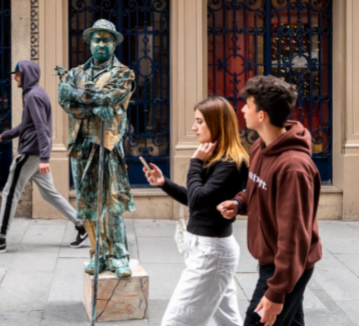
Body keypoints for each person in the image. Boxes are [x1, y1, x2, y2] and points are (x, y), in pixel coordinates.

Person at [218, 75, 322, 326]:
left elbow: (294, 234)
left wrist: (277, 290)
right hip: (274, 261)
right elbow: (258, 189)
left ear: (262, 115)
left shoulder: (293, 168)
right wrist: (241, 202)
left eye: (248, 105)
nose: (242, 109)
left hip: (285, 266)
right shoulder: (260, 147)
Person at [144, 96, 248, 326]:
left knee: (175, 321)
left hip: (212, 252)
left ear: (217, 123)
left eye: (199, 121)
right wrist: (164, 183)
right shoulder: (215, 158)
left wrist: (195, 163)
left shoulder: (230, 163)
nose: (193, 128)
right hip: (206, 249)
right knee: (229, 321)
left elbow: (198, 199)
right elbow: (195, 199)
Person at [0, 60, 88, 253]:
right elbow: (27, 125)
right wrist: (3, 136)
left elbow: (42, 129)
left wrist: (44, 158)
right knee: (49, 193)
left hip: (31, 153)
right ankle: (81, 226)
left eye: (17, 74)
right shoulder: (35, 93)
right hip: (35, 152)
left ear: (26, 75)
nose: (15, 77)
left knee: (10, 193)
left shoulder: (33, 96)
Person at [57, 19, 136, 278]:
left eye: (106, 39)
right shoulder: (75, 73)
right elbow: (64, 101)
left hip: (107, 143)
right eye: (97, 39)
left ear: (114, 45)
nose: (101, 44)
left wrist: (77, 94)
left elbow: (110, 98)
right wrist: (90, 102)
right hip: (81, 144)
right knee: (87, 203)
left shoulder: (123, 73)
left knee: (110, 201)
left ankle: (119, 256)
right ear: (89, 43)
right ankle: (98, 254)